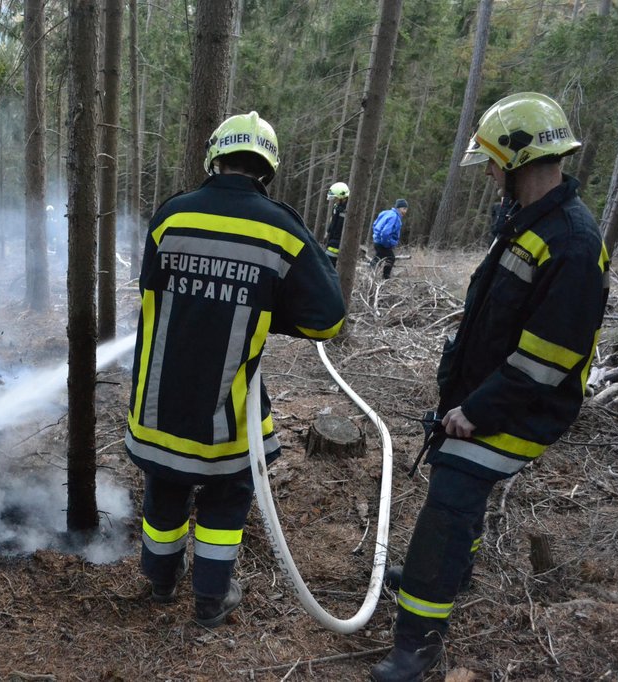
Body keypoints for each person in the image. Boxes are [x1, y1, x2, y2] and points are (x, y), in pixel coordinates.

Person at [371, 92, 610, 681]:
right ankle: (452, 575)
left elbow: (547, 362)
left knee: (450, 499)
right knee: (459, 490)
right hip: (491, 394)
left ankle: (418, 641)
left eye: (494, 163)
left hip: (523, 408)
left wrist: (476, 410)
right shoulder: (531, 222)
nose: (490, 175)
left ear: (516, 159)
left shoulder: (572, 244)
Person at [125, 111, 345, 628]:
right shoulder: (282, 229)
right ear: (267, 168)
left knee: (166, 485)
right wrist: (261, 308)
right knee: (226, 497)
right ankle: (210, 598)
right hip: (226, 409)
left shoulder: (171, 216)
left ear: (214, 157)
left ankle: (160, 581)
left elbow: (150, 286)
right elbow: (328, 320)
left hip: (158, 402)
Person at [370, 199, 408, 279]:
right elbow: (385, 232)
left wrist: (376, 236)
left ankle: (371, 275)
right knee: (391, 258)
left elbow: (375, 224)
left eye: (406, 209)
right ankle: (385, 277)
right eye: (404, 209)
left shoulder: (385, 213)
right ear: (398, 208)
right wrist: (387, 243)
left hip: (377, 241)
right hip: (383, 242)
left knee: (378, 257)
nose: (405, 211)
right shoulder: (394, 217)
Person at [323, 182, 350, 267]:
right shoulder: (336, 207)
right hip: (331, 239)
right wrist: (327, 232)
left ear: (342, 198)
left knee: (329, 265)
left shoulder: (347, 210)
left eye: (335, 198)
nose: (334, 200)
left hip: (337, 243)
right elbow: (332, 222)